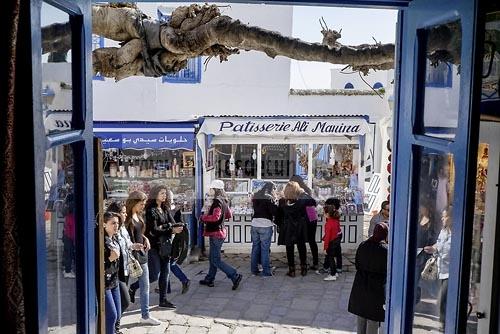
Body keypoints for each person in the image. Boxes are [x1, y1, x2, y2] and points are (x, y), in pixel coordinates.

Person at [107, 200, 144, 334]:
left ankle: (115, 328)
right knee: (125, 300)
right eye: (122, 212)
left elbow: (127, 243)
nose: (125, 214)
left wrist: (134, 246)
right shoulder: (112, 228)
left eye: (124, 212)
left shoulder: (122, 228)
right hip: (116, 270)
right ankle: (111, 327)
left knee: (122, 301)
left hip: (126, 267)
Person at [199, 179, 243, 290]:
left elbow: (215, 217)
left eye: (211, 188)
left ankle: (234, 275)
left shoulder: (217, 201)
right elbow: (229, 214)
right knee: (213, 258)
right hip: (220, 232)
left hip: (216, 233)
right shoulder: (224, 200)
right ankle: (210, 278)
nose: (209, 190)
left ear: (215, 189)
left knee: (215, 259)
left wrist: (203, 217)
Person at [125, 191, 160, 326]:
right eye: (141, 204)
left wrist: (145, 238)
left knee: (145, 287)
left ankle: (145, 316)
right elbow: (125, 238)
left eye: (144, 203)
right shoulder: (126, 219)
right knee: (124, 287)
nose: (143, 206)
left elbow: (140, 232)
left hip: (142, 255)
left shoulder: (138, 215)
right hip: (130, 257)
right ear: (134, 203)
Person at [348, 222, 389, 334]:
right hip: (376, 289)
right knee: (373, 320)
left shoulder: (363, 245)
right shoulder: (385, 250)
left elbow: (357, 263)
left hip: (361, 285)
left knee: (361, 317)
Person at [144, 185, 179, 309]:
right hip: (154, 246)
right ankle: (134, 287)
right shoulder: (151, 210)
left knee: (166, 273)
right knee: (155, 275)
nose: (164, 195)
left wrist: (173, 227)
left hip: (166, 246)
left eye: (165, 193)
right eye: (162, 193)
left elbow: (173, 224)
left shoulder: (165, 208)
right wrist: (169, 228)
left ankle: (163, 300)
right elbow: (153, 230)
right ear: (155, 195)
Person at [276, 181, 315, 277]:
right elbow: (313, 204)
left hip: (288, 227)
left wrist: (280, 225)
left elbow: (278, 216)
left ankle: (292, 270)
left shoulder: (282, 201)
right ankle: (303, 268)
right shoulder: (303, 200)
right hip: (300, 227)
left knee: (289, 248)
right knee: (301, 247)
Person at [424, 209, 452, 330]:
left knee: (441, 299)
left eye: (445, 217)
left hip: (451, 272)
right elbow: (438, 244)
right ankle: (445, 324)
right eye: (442, 216)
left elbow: (450, 251)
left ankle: (444, 325)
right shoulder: (443, 231)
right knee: (444, 300)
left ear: (451, 218)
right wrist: (432, 248)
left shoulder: (456, 234)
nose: (442, 219)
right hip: (441, 270)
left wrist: (437, 249)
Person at [290, 175, 319, 270]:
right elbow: (314, 203)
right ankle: (315, 262)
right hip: (312, 215)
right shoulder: (308, 190)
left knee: (301, 240)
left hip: (305, 217)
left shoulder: (299, 192)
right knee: (312, 240)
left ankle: (305, 263)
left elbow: (297, 206)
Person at [250, 181, 278, 277]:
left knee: (255, 247)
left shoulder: (257, 195)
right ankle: (266, 271)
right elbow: (274, 211)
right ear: (272, 189)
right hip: (265, 225)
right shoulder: (269, 197)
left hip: (255, 224)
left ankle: (254, 270)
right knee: (265, 249)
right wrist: (275, 200)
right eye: (274, 189)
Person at [166, 190, 191, 294]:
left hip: (171, 242)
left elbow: (178, 225)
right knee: (167, 265)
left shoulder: (172, 210)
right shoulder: (171, 209)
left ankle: (184, 280)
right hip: (169, 241)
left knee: (169, 264)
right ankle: (166, 287)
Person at [103, 211, 122, 334]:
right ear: (104, 225)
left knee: (118, 314)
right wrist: (109, 259)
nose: (116, 226)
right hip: (105, 282)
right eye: (113, 223)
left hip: (114, 280)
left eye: (118, 223)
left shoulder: (114, 238)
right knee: (112, 316)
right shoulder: (101, 241)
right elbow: (98, 262)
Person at [320, 197, 343, 281]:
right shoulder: (335, 220)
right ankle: (336, 271)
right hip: (336, 239)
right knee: (336, 255)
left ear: (327, 214)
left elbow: (328, 237)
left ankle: (332, 274)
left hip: (332, 241)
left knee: (330, 257)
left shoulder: (328, 224)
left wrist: (325, 248)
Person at [62, 194, 76, 278]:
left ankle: (66, 269)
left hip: (66, 237)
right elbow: (73, 233)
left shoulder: (68, 217)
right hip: (70, 238)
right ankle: (67, 271)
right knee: (69, 255)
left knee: (67, 254)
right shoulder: (73, 218)